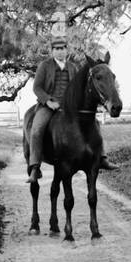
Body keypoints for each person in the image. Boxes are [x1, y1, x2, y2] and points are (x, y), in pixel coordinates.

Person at [29, 38, 116, 180]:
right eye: (57, 49)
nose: (60, 51)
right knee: (37, 129)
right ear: (52, 51)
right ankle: (34, 167)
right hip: (48, 105)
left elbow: (79, 89)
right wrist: (48, 101)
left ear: (66, 51)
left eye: (62, 49)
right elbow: (37, 87)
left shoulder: (72, 67)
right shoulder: (44, 66)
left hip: (69, 106)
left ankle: (102, 158)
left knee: (95, 124)